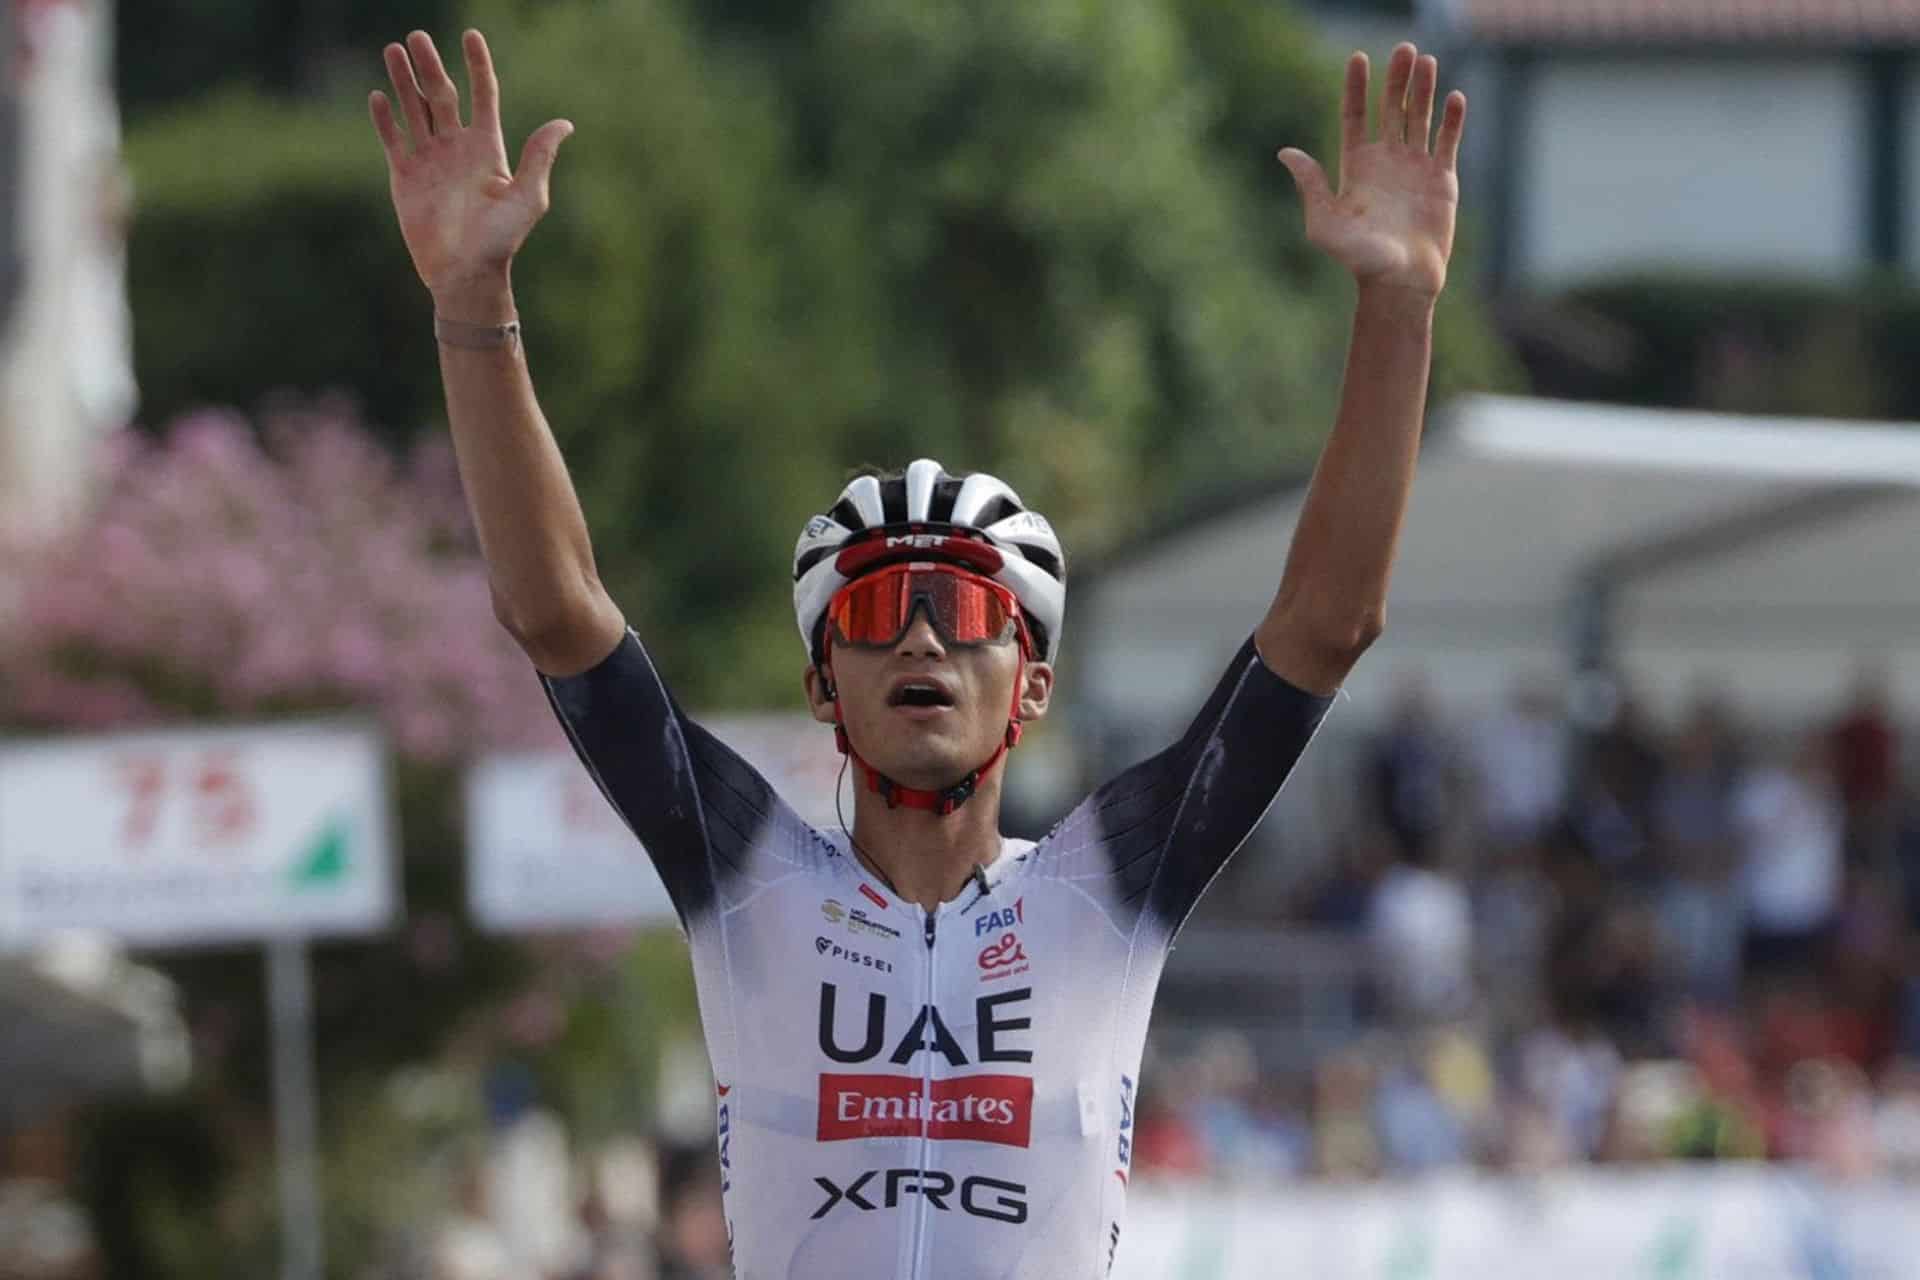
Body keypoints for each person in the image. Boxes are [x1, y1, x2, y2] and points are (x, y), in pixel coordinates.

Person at [371, 27, 1466, 1278]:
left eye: (966, 609)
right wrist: (473, 300)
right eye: (882, 607)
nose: (925, 634)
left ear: (1033, 687)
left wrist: (1398, 308)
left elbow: (1327, 623)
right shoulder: (746, 872)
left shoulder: (1108, 881)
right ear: (821, 686)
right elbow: (557, 613)